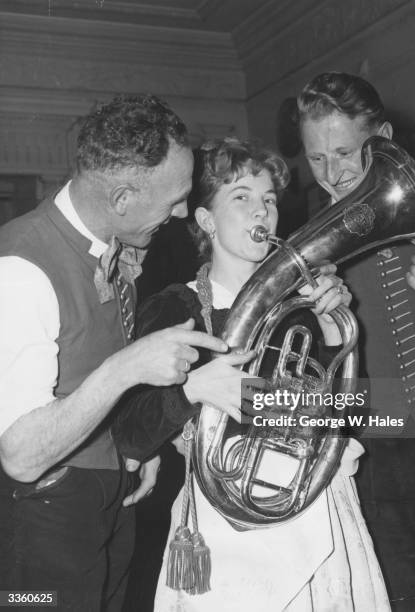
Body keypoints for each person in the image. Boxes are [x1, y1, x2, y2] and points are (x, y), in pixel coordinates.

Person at [113, 137, 391, 612]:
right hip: (225, 531)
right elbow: (130, 432)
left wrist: (334, 332)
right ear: (205, 220)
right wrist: (193, 392)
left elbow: (347, 418)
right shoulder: (175, 308)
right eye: (240, 197)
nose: (261, 212)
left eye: (268, 200)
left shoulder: (302, 308)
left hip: (314, 510)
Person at [0, 95, 246, 611]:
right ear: (122, 198)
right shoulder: (21, 270)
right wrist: (127, 369)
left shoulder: (114, 244)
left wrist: (137, 448)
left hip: (112, 499)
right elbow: (20, 457)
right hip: (48, 518)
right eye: (174, 199)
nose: (182, 212)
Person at [297, 72, 415, 610]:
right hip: (365, 456)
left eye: (344, 151)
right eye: (316, 159)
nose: (332, 174)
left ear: (383, 138)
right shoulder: (305, 253)